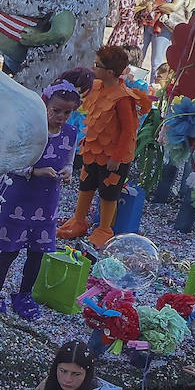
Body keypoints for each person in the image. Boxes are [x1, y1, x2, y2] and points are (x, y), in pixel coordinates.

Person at [0, 74, 82, 317]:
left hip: (46, 201)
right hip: (19, 197)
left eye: (66, 113)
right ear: (45, 105)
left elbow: (69, 160)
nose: (61, 117)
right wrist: (35, 171)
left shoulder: (70, 133)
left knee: (37, 252)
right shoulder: (31, 129)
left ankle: (24, 293)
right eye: (56, 111)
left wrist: (68, 172)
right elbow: (9, 162)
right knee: (9, 251)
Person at [56, 44, 151, 249]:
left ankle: (105, 229)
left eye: (97, 65)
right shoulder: (97, 87)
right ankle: (79, 220)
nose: (93, 68)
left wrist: (117, 157)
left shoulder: (123, 98)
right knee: (86, 185)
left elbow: (128, 131)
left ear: (109, 72)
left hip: (113, 157)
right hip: (93, 150)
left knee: (108, 193)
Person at [144, 0, 191, 73]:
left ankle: (153, 88)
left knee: (156, 62)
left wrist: (156, 3)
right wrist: (158, 4)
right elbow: (147, 2)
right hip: (148, 23)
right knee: (139, 54)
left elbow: (174, 7)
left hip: (163, 27)